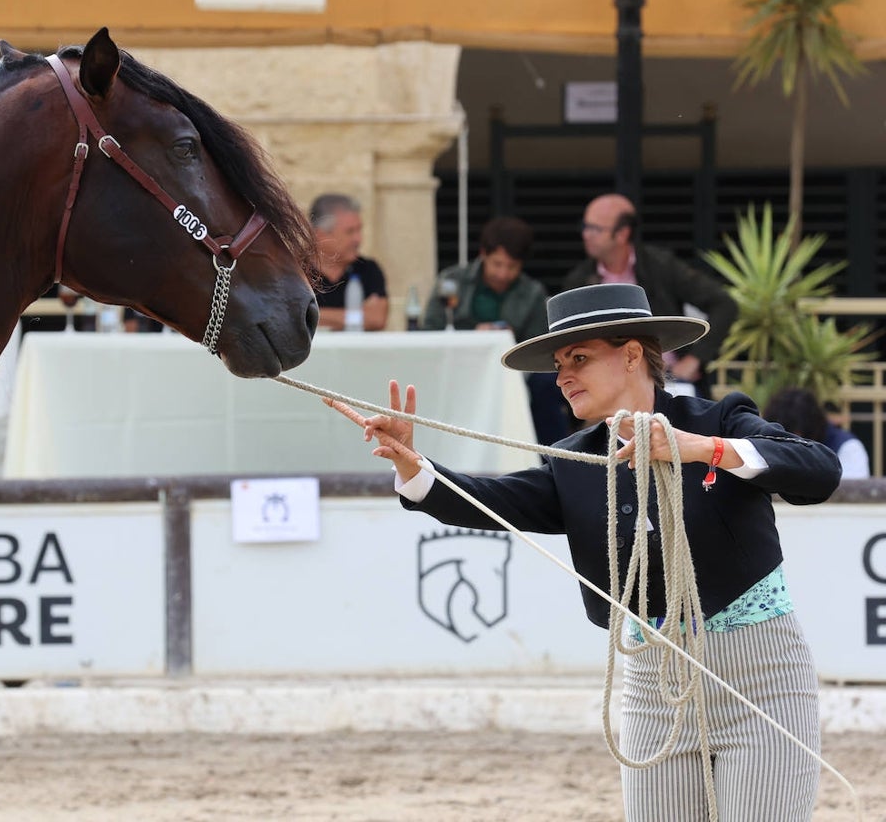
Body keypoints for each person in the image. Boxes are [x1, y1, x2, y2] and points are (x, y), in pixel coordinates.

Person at [340, 283, 842, 821]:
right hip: (653, 690)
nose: (562, 377)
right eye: (559, 363)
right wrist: (413, 467)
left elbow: (818, 469)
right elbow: (488, 502)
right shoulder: (571, 460)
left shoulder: (718, 420)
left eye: (578, 358)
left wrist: (699, 450)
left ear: (631, 355)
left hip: (761, 685)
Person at [564, 193, 737, 397]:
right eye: (585, 226)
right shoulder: (579, 279)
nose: (586, 234)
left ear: (622, 233)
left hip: (666, 380)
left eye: (595, 229)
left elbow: (724, 304)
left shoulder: (660, 266)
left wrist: (695, 359)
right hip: (604, 386)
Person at [422, 215, 569, 443]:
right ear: (483, 254)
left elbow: (541, 348)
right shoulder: (451, 281)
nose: (503, 274)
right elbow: (429, 332)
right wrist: (472, 336)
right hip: (459, 370)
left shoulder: (532, 293)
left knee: (547, 386)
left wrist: (510, 342)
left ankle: (555, 458)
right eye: (497, 264)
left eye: (511, 267)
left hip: (515, 377)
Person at [309, 193, 388, 331]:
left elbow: (376, 318)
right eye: (350, 232)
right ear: (321, 235)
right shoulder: (296, 271)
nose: (358, 239)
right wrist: (359, 316)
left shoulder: (367, 269)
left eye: (359, 230)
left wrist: (312, 315)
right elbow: (285, 317)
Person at [763, 386, 870, 480]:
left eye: (797, 437)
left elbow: (849, 493)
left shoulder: (848, 447)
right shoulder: (766, 445)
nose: (791, 446)